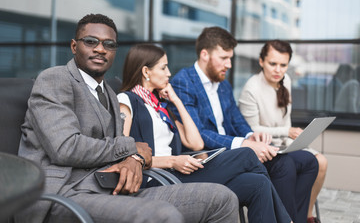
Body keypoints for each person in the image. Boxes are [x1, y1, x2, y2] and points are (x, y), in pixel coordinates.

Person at [15, 14, 241, 223]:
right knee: (162, 215)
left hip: (113, 188)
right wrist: (132, 147)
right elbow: (66, 147)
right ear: (74, 46)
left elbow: (128, 153)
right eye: (91, 41)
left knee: (222, 198)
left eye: (109, 44)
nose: (101, 49)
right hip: (64, 193)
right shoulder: (55, 80)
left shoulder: (110, 94)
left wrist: (135, 159)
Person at [117, 44, 292, 223]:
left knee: (257, 184)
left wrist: (176, 101)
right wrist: (172, 161)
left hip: (177, 172)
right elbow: (122, 155)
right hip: (157, 179)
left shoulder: (161, 106)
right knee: (247, 154)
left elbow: (196, 143)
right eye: (163, 67)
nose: (169, 73)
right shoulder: (127, 100)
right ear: (146, 71)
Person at [170, 26, 319, 223]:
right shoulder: (184, 82)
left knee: (309, 161)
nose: (229, 64)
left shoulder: (222, 83)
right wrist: (243, 143)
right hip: (211, 156)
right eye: (224, 58)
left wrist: (250, 135)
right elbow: (199, 133)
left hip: (234, 150)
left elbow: (236, 119)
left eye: (230, 58)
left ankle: (296, 219)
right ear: (205, 54)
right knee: (283, 164)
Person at [239, 40, 328, 223]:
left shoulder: (285, 80)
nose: (278, 70)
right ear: (261, 61)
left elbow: (285, 118)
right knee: (295, 164)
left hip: (284, 146)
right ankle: (293, 217)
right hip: (264, 149)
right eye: (273, 64)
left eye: (283, 65)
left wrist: (295, 143)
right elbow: (250, 130)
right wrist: (286, 131)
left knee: (317, 161)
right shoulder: (251, 89)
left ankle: (302, 217)